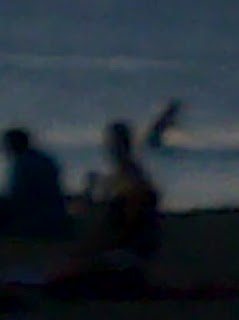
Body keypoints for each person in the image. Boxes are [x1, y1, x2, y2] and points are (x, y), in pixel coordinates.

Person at [39, 120, 162, 299]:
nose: (111, 149)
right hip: (122, 248)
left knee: (63, 279)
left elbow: (122, 227)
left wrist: (89, 250)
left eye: (114, 144)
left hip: (126, 252)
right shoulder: (119, 178)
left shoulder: (131, 179)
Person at [0, 127, 71, 238]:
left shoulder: (24, 163)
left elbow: (20, 199)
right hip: (54, 218)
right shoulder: (44, 160)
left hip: (35, 222)